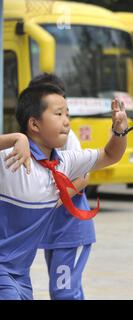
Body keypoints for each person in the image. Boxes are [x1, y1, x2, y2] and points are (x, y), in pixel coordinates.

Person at [0, 78, 130, 300]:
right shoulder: (10, 159)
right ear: (34, 124)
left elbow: (110, 155)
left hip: (20, 275)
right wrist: (15, 138)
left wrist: (119, 131)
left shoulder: (65, 163)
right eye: (58, 114)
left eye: (67, 114)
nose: (67, 122)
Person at [28, 73, 96, 300]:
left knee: (64, 292)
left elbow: (83, 177)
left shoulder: (66, 137)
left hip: (69, 229)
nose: (64, 118)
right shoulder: (33, 139)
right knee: (64, 291)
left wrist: (54, 200)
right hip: (54, 231)